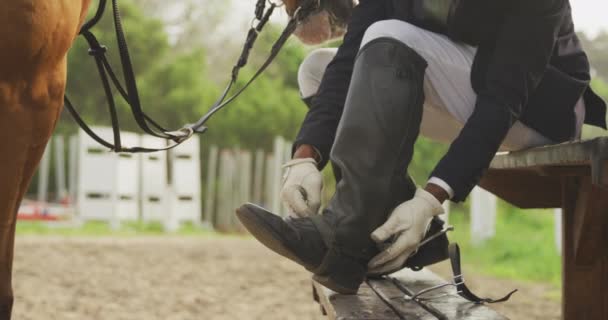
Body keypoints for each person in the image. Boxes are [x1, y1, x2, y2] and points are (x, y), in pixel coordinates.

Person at [237, 0, 607, 294]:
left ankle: (343, 241)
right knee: (316, 69)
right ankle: (384, 223)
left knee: (389, 36)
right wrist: (305, 156)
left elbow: (503, 98)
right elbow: (349, 60)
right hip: (463, 91)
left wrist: (432, 197)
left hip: (538, 110)